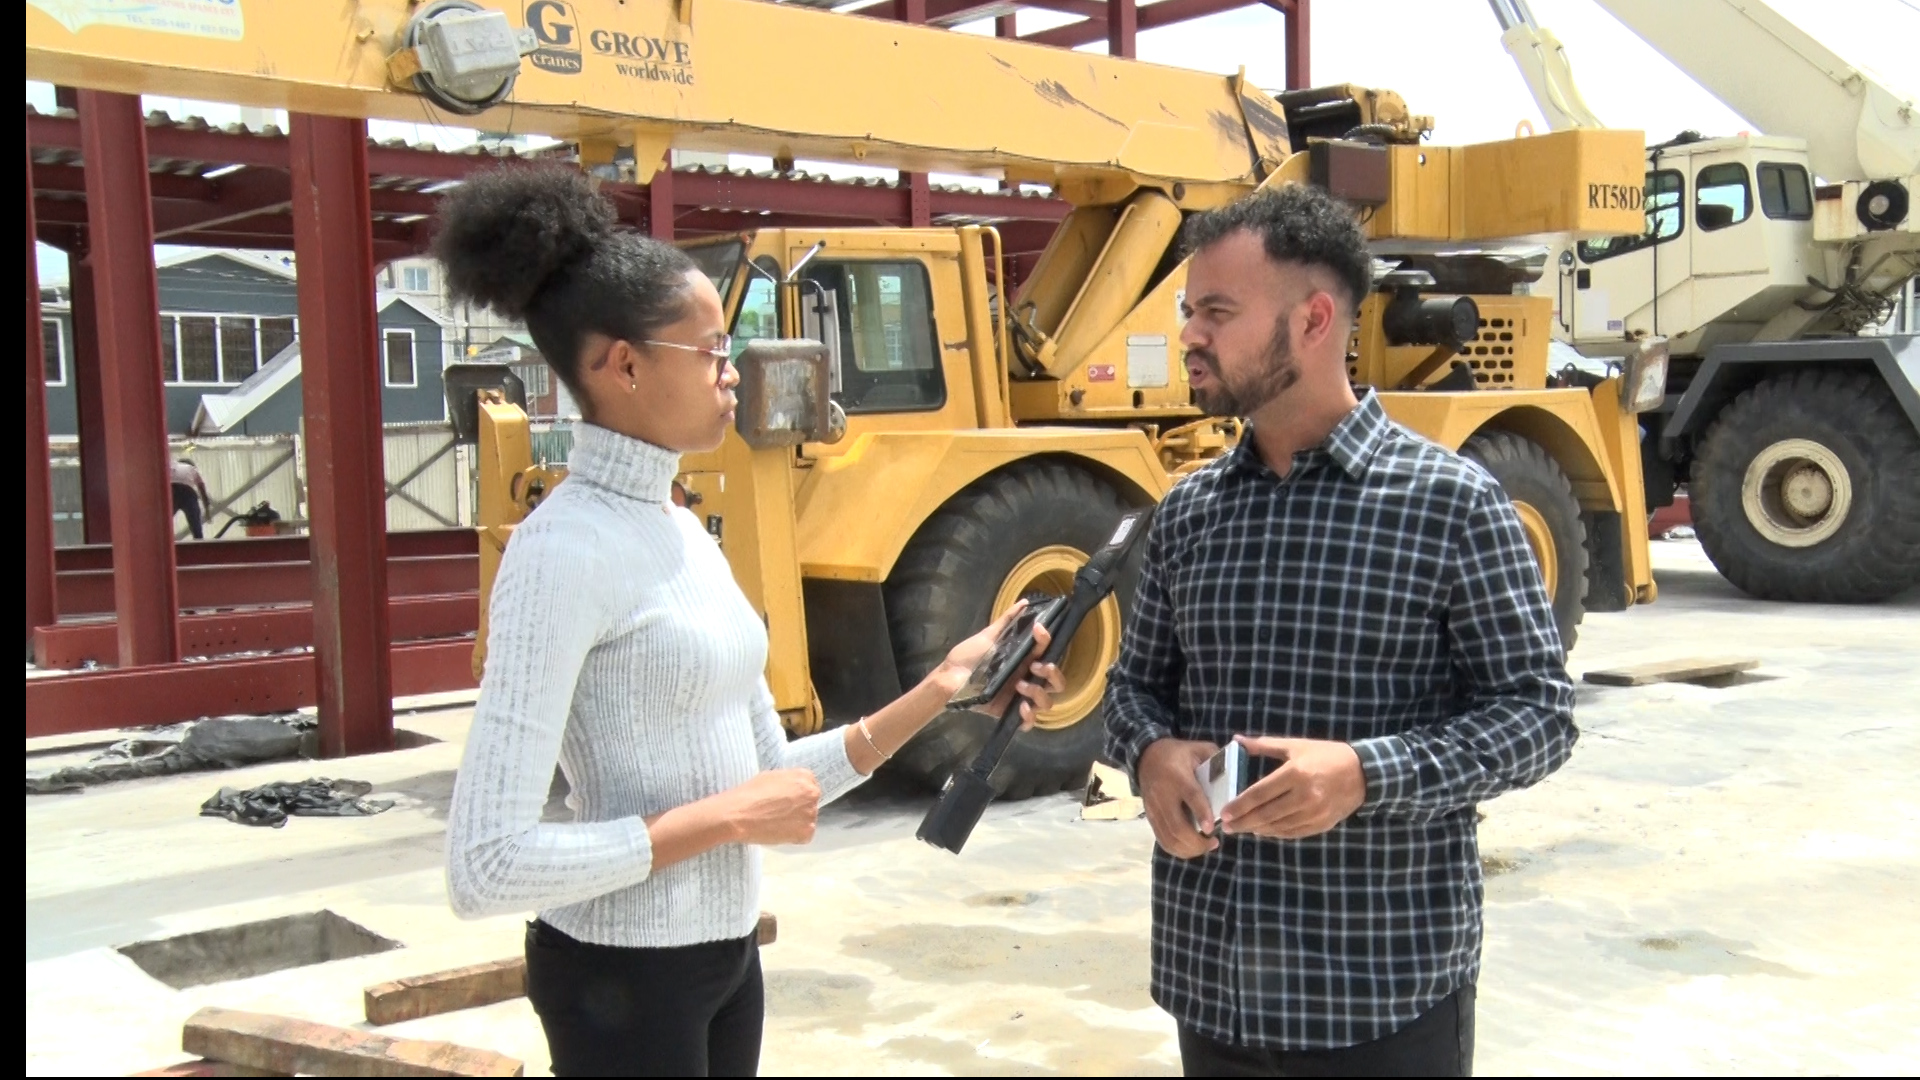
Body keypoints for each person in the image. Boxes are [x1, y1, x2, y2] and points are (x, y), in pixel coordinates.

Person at [437, 166, 1063, 1078]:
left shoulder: (682, 529)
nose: (736, 374)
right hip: (620, 979)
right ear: (625, 364)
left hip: (725, 957)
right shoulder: (558, 553)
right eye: (714, 352)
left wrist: (943, 688)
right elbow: (484, 866)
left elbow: (772, 777)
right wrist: (725, 819)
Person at [1104, 185, 1577, 1078]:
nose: (1191, 335)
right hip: (1213, 981)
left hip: (1378, 994)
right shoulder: (1190, 511)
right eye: (1187, 311)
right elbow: (1132, 687)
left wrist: (1364, 773)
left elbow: (1539, 716)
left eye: (1217, 311)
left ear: (1314, 319)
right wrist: (1152, 755)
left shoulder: (1449, 504)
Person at [170, 458, 210, 540]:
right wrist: (207, 510)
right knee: (195, 523)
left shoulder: (172, 466)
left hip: (172, 490)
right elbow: (201, 486)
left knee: (165, 520)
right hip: (188, 492)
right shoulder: (192, 468)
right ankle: (199, 540)